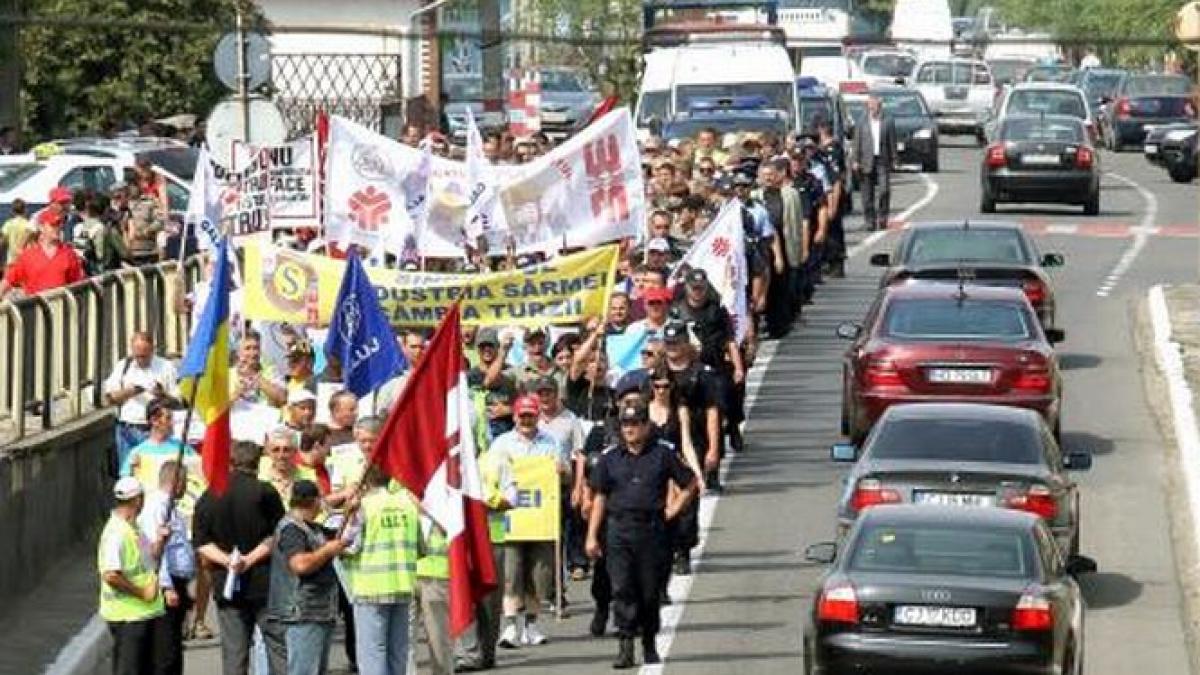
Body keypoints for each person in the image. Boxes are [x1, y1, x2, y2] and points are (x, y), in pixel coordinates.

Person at [586, 403, 698, 669]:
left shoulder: (662, 455)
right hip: (618, 530)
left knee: (649, 592)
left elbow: (690, 482)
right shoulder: (610, 458)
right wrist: (592, 535)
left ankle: (648, 641)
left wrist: (675, 507)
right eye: (626, 425)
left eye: (635, 424)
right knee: (622, 587)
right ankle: (625, 645)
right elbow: (599, 497)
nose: (630, 429)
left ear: (646, 426)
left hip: (652, 530)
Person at [193, 441, 288, 675]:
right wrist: (249, 559)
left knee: (235, 652)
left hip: (227, 584)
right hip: (264, 583)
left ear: (231, 462)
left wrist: (229, 561)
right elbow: (278, 534)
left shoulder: (209, 496)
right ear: (259, 462)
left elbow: (202, 543)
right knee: (278, 648)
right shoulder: (265, 491)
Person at [490, 395, 563, 648]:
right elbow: (490, 477)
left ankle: (531, 625)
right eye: (522, 415)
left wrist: (561, 471)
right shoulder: (501, 444)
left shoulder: (550, 443)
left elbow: (564, 476)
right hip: (511, 520)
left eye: (531, 415)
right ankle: (510, 626)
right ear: (514, 417)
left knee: (538, 575)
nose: (527, 420)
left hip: (541, 519)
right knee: (511, 573)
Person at [341, 466, 421, 675]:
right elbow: (421, 547)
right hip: (403, 585)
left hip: (370, 588)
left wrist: (345, 519)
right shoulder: (408, 504)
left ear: (364, 484)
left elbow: (349, 547)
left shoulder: (363, 507)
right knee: (398, 653)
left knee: (372, 653)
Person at [267, 479, 347, 675]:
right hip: (302, 613)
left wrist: (350, 512)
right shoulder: (292, 529)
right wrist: (326, 552)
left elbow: (340, 537)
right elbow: (300, 564)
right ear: (315, 502)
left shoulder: (313, 528)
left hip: (318, 611)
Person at [456, 435, 517, 672]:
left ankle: (487, 652)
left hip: (492, 539)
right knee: (463, 594)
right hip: (460, 540)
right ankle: (467, 654)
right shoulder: (448, 465)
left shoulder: (496, 461)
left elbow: (513, 499)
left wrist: (489, 499)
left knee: (489, 601)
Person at [99, 476, 166, 675]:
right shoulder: (116, 533)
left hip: (141, 613)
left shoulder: (134, 528)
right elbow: (110, 575)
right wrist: (141, 592)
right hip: (127, 615)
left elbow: (150, 558)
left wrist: (162, 540)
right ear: (137, 500)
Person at [138, 461, 196, 675]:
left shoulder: (171, 508)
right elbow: (154, 553)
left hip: (177, 582)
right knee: (165, 652)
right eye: (185, 482)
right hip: (165, 586)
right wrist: (166, 586)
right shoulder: (157, 509)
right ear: (176, 482)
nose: (186, 487)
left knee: (174, 648)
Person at [104, 332, 181, 475]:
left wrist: (161, 395)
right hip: (127, 429)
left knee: (153, 473)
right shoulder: (123, 366)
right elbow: (110, 398)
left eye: (144, 355)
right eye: (137, 355)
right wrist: (132, 391)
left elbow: (178, 402)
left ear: (152, 349)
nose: (140, 359)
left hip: (154, 430)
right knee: (128, 474)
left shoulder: (165, 367)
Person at [0, 207, 86, 299]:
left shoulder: (69, 254)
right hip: (36, 310)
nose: (57, 228)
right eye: (53, 225)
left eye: (59, 224)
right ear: (41, 227)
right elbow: (8, 280)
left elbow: (78, 285)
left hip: (61, 310)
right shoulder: (28, 255)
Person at [852, 96, 895, 232]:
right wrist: (855, 160)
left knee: (884, 190)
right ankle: (870, 220)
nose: (873, 108)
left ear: (880, 106)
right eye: (871, 105)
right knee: (867, 193)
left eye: (875, 105)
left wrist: (895, 159)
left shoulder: (888, 121)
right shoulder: (862, 122)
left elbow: (892, 142)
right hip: (866, 160)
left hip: (882, 159)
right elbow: (856, 142)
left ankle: (882, 217)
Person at [1, 198, 33, 268]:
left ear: (12, 211)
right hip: (25, 260)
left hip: (12, 260)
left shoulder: (8, 224)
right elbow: (33, 244)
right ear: (25, 210)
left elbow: (2, 242)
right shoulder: (29, 224)